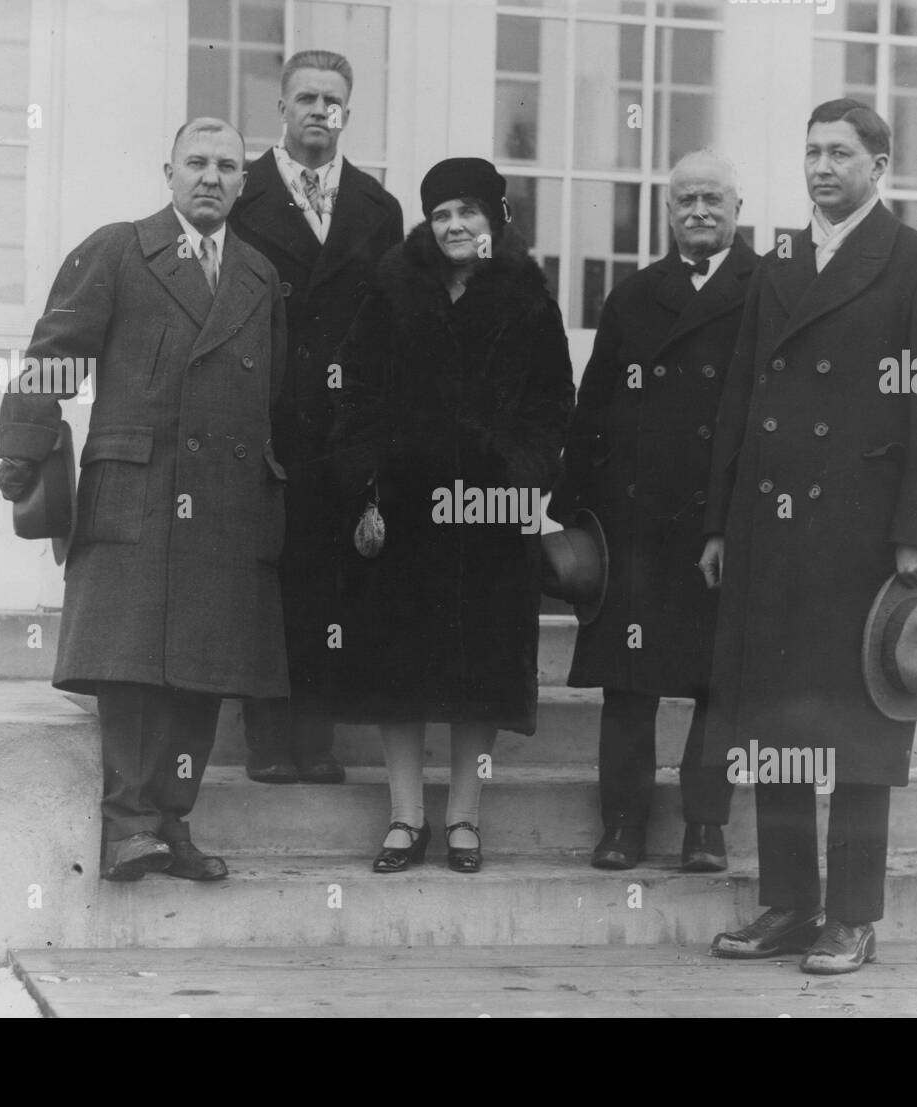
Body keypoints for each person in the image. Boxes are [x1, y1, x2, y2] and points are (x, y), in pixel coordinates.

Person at [698, 99, 917, 972]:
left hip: (864, 544)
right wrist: (718, 522)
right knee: (781, 724)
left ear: (880, 165)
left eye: (841, 153)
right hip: (771, 537)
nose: (823, 167)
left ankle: (853, 916)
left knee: (860, 730)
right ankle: (789, 902)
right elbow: (740, 403)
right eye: (812, 152)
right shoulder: (780, 262)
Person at [0, 118, 289, 882]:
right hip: (140, 488)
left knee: (202, 669)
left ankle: (173, 822)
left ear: (243, 183)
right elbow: (54, 359)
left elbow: (275, 393)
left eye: (228, 166)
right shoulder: (120, 249)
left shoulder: (259, 275)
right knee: (129, 667)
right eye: (197, 162)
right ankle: (128, 824)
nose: (211, 177)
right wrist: (22, 451)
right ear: (168, 171)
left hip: (227, 503)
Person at [329, 157, 574, 873]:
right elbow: (354, 388)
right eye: (441, 214)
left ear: (496, 219)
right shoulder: (392, 288)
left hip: (491, 514)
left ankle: (464, 816)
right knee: (398, 665)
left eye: (468, 211)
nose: (455, 226)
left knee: (482, 666)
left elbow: (553, 404)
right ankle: (406, 817)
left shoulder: (529, 297)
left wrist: (520, 475)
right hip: (406, 508)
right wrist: (369, 474)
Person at [548, 150, 756, 872]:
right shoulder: (635, 297)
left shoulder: (767, 290)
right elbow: (594, 403)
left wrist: (733, 521)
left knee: (717, 684)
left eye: (713, 200)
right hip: (633, 520)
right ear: (668, 213)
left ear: (738, 210)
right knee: (629, 684)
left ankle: (706, 827)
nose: (699, 211)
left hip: (720, 521)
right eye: (686, 200)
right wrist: (570, 510)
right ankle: (623, 825)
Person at [228, 51, 404, 786]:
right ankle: (269, 739)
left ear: (347, 113)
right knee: (268, 578)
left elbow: (393, 323)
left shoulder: (376, 206)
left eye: (333, 101)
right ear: (281, 107)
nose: (319, 112)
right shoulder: (243, 193)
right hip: (265, 416)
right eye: (306, 97)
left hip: (345, 427)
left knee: (331, 578)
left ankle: (317, 737)